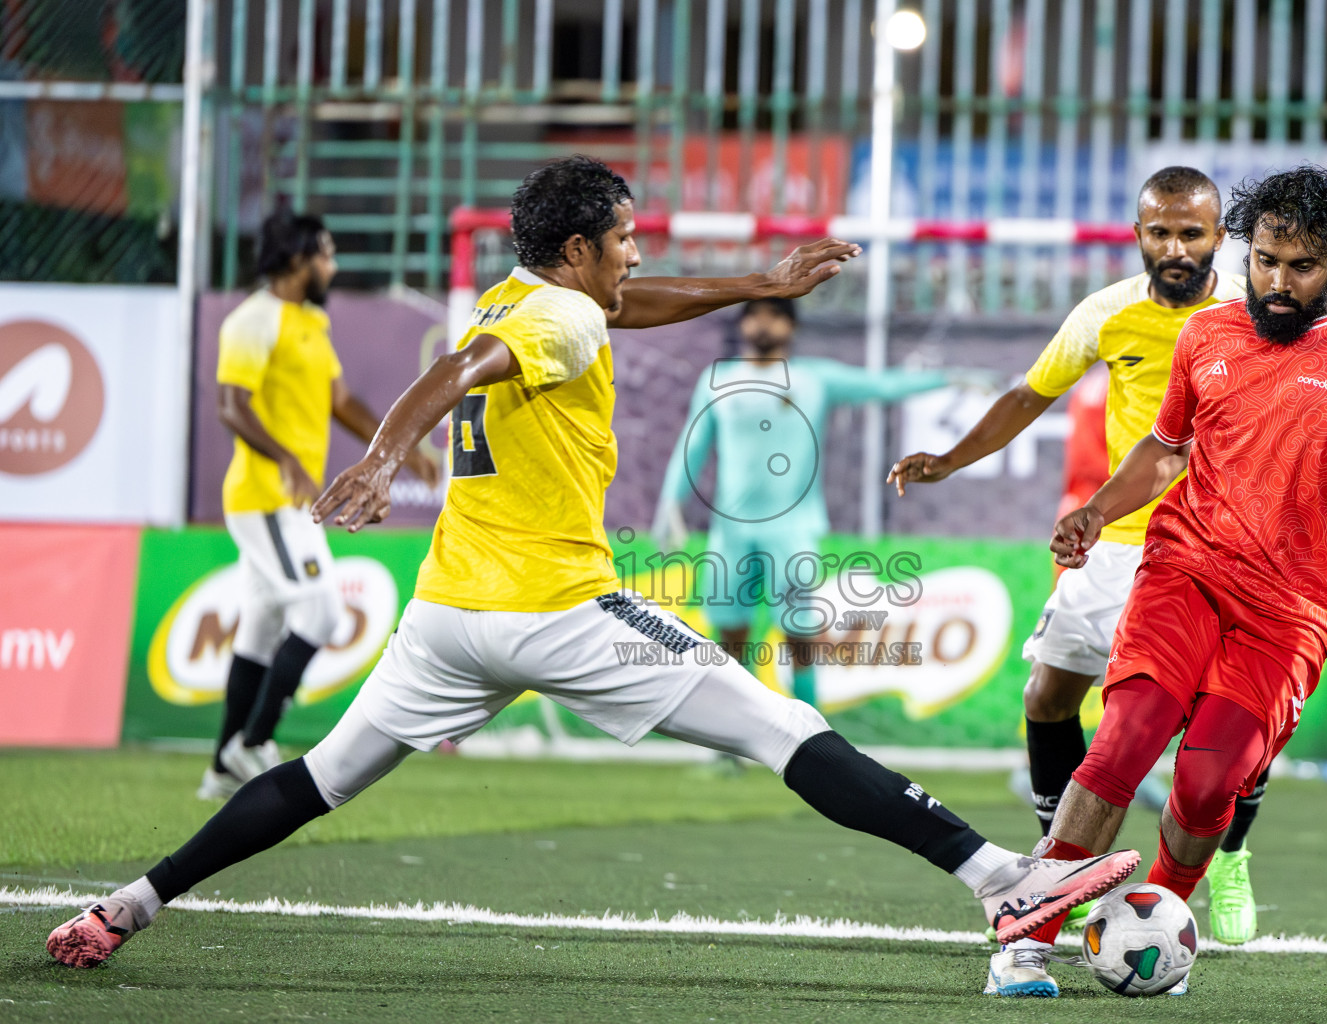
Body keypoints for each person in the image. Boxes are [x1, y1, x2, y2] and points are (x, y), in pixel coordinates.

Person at [47, 156, 1138, 973]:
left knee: (315, 778)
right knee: (785, 727)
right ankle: (1004, 881)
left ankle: (126, 906)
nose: (636, 252)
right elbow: (472, 365)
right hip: (560, 609)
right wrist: (381, 457)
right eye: (623, 236)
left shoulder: (532, 297)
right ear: (579, 249)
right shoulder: (557, 316)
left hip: (446, 614)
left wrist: (757, 278)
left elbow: (599, 315)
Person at [1025, 165, 1327, 995]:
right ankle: (1031, 925)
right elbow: (1167, 449)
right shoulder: (1207, 335)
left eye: (1301, 267)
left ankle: (1157, 924)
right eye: (1267, 261)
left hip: (1292, 612)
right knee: (1124, 741)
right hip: (1186, 572)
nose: (1278, 283)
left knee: (1208, 783)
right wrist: (1098, 509)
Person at [889, 169, 1263, 960]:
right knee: (1049, 693)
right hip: (1125, 539)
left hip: (1223, 546)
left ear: (1218, 238)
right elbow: (1031, 394)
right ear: (1138, 235)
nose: (1174, 248)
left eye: (1190, 233)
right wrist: (953, 460)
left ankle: (1228, 859)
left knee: (1227, 732)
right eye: (1158, 232)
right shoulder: (1107, 312)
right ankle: (1059, 863)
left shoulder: (1250, 312)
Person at [201, 210, 440, 801]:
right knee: (322, 614)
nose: (332, 265)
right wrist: (283, 457)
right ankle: (253, 742)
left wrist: (399, 450)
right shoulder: (251, 321)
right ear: (296, 259)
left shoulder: (308, 322)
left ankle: (219, 768)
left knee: (260, 631)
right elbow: (232, 405)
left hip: (284, 502)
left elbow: (341, 400)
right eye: (326, 253)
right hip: (267, 501)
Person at [653, 296, 962, 705]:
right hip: (729, 531)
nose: (763, 324)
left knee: (799, 633)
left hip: (793, 529)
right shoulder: (719, 379)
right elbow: (690, 448)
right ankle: (729, 742)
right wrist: (669, 505)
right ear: (742, 326)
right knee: (730, 636)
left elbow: (885, 386)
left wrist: (954, 377)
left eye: (774, 316)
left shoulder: (814, 378)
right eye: (755, 315)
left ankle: (809, 728)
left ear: (791, 327)